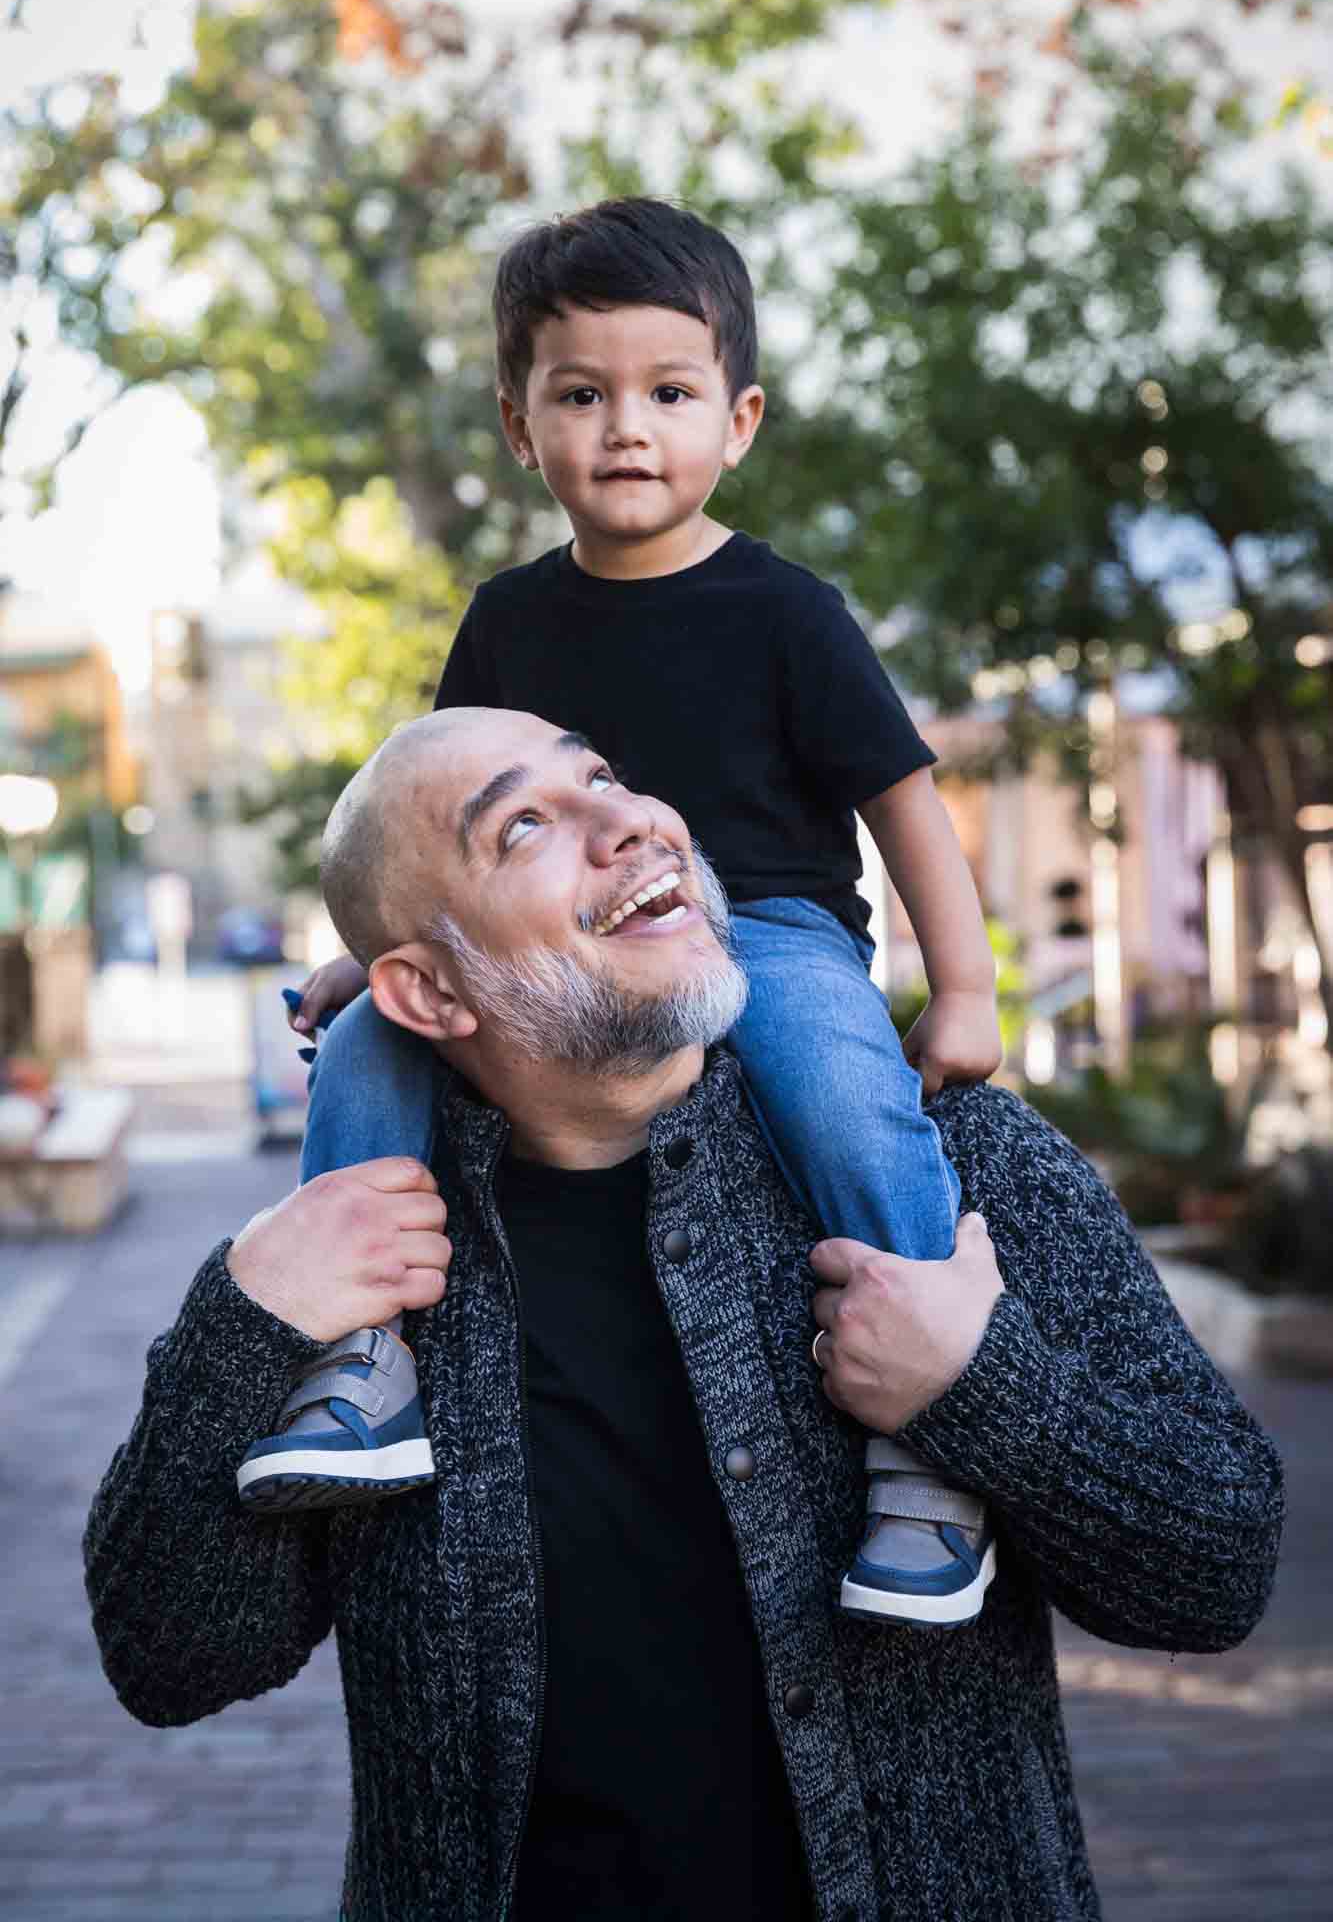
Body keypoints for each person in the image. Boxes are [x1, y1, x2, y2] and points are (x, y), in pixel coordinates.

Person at [85, 708, 1285, 1922]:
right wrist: (243, 1324)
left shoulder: (948, 1161)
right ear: (428, 989)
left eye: (605, 773)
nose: (632, 821)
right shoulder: (339, 1269)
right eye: (526, 825)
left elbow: (1213, 1571)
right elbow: (173, 1659)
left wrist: (980, 1387)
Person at [239, 196, 1004, 1628]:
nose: (626, 428)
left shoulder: (787, 611)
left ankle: (926, 1445)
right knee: (363, 1055)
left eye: (668, 392)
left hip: (766, 927)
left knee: (843, 1091)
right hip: (553, 949)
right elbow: (440, 840)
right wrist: (373, 962)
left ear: (741, 418)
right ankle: (357, 1366)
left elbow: (905, 797)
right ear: (522, 428)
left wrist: (960, 987)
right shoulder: (508, 621)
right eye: (580, 395)